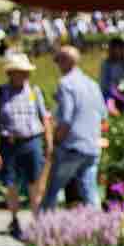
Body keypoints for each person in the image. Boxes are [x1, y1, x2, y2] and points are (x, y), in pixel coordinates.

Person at [42, 46, 106, 210]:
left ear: (66, 62)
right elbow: (103, 115)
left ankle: (43, 228)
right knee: (90, 192)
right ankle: (99, 229)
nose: (58, 66)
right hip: (92, 145)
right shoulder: (92, 84)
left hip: (73, 146)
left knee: (52, 191)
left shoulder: (66, 84)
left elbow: (66, 119)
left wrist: (55, 142)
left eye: (59, 62)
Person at [0, 53, 51, 237]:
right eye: (18, 72)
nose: (22, 75)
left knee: (34, 183)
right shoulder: (1, 93)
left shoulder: (34, 92)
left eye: (24, 72)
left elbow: (44, 117)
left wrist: (48, 142)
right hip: (9, 143)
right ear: (11, 73)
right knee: (10, 183)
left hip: (31, 141)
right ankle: (15, 219)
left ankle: (37, 223)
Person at [99, 38, 124, 105]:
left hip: (122, 93)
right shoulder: (106, 65)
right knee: (110, 103)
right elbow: (110, 89)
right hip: (109, 95)